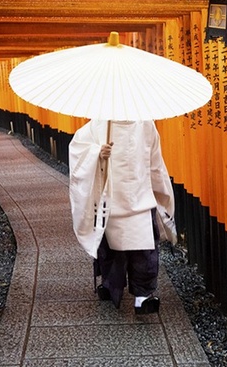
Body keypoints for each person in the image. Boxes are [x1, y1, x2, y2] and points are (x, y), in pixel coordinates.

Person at [68, 118, 175, 315]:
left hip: (139, 197)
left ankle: (139, 295)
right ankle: (117, 288)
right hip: (113, 199)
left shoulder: (145, 124)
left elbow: (154, 163)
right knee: (119, 252)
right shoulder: (100, 122)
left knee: (140, 251)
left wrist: (159, 191)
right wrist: (97, 152)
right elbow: (77, 148)